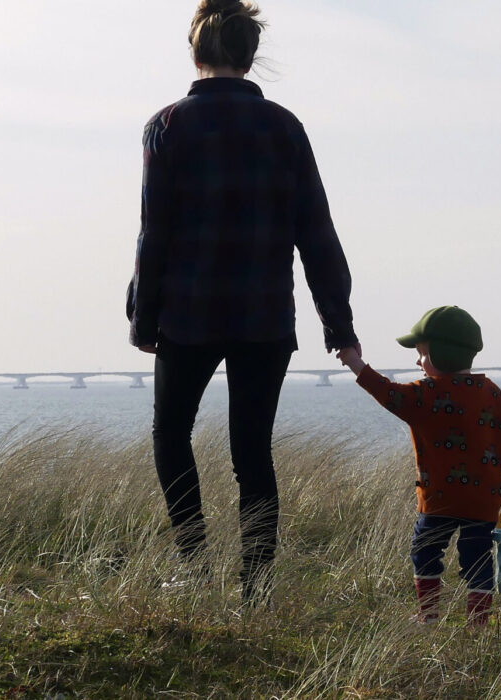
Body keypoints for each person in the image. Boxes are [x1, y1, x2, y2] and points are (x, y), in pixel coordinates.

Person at [126, 0, 360, 599]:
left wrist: (142, 316)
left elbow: (156, 234)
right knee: (252, 453)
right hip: (265, 318)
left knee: (171, 437)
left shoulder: (167, 125)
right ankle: (254, 588)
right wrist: (339, 323)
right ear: (250, 56)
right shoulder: (285, 127)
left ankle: (194, 567)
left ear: (195, 52)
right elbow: (317, 231)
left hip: (187, 315)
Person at [336, 306, 501, 625]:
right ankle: (478, 623)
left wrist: (355, 362)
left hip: (440, 499)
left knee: (425, 551)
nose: (418, 362)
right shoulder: (495, 395)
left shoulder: (426, 394)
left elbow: (386, 392)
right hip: (484, 501)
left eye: (423, 354)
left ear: (442, 353)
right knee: (478, 560)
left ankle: (429, 615)